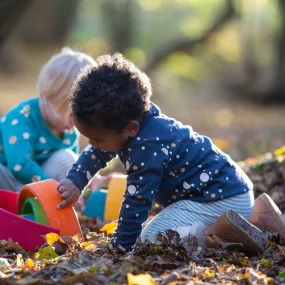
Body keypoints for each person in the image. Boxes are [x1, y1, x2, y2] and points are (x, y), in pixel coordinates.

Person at [57, 53, 285, 254]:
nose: (91, 144)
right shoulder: (136, 120)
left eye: (96, 139)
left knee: (153, 235)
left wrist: (121, 246)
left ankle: (221, 234)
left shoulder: (145, 148)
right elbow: (99, 151)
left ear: (130, 129)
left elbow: (137, 201)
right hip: (231, 191)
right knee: (155, 229)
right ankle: (257, 216)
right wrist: (76, 180)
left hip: (216, 199)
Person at [0, 48, 96, 191]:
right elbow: (19, 164)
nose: (77, 123)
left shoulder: (69, 130)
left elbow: (72, 165)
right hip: (7, 180)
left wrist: (84, 179)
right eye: (72, 115)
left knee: (68, 160)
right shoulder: (22, 118)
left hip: (37, 187)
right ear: (50, 98)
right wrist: (51, 188)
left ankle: (60, 207)